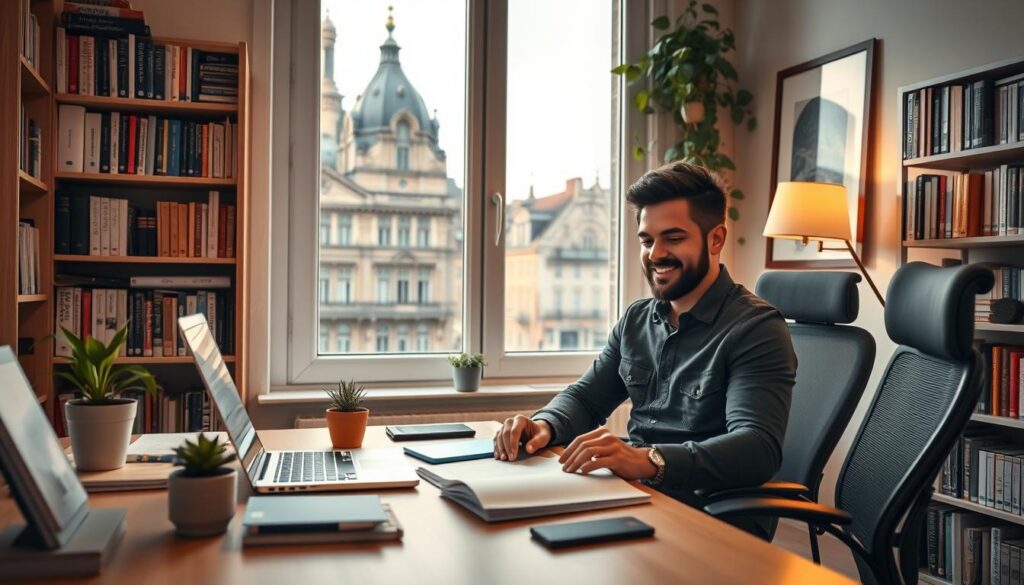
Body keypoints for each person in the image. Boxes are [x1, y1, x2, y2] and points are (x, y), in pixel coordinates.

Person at [493, 162, 797, 538]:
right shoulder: (637, 319)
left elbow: (757, 448)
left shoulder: (756, 329)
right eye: (647, 240)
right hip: (636, 497)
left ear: (715, 239)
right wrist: (544, 424)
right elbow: (588, 398)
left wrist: (649, 460)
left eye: (673, 238)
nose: (655, 254)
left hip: (712, 518)